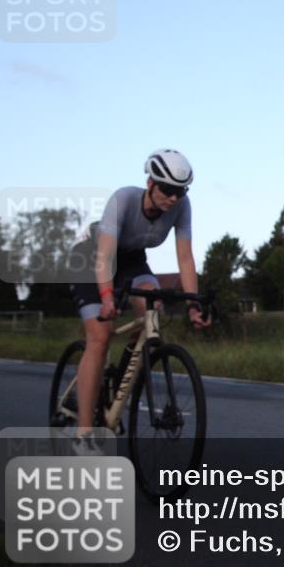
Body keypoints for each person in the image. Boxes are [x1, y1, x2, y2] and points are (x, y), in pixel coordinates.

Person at [67, 149, 210, 440]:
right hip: (92, 258)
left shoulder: (182, 207)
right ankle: (84, 431)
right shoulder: (124, 199)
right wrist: (107, 296)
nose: (174, 198)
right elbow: (105, 257)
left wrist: (193, 304)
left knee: (153, 310)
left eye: (180, 191)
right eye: (167, 189)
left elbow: (185, 259)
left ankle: (117, 386)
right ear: (150, 183)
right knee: (100, 336)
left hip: (132, 259)